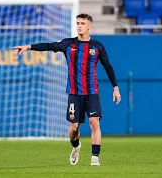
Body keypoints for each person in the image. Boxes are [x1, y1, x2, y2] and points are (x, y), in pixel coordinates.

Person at [13, 13, 121, 166]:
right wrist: (29, 47)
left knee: (94, 122)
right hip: (74, 93)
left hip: (92, 92)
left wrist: (115, 87)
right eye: (78, 23)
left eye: (83, 23)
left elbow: (108, 67)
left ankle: (95, 157)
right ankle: (76, 147)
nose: (79, 25)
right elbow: (49, 46)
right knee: (74, 128)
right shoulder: (68, 44)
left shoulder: (97, 46)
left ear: (89, 26)